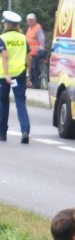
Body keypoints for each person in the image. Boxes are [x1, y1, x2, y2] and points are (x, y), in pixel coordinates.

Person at [0, 10, 31, 144]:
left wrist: (7, 74)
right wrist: (28, 74)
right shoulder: (23, 38)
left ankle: (2, 133)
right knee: (20, 102)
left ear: (6, 24)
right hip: (20, 74)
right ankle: (25, 130)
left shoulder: (2, 38)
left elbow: (5, 56)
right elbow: (29, 56)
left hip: (4, 76)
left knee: (3, 102)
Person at [25, 13, 46, 89]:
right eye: (28, 20)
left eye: (31, 20)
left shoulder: (37, 28)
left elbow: (42, 40)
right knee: (30, 69)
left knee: (34, 69)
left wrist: (40, 50)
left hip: (35, 53)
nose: (29, 21)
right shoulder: (30, 28)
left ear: (35, 20)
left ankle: (35, 83)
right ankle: (31, 83)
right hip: (30, 53)